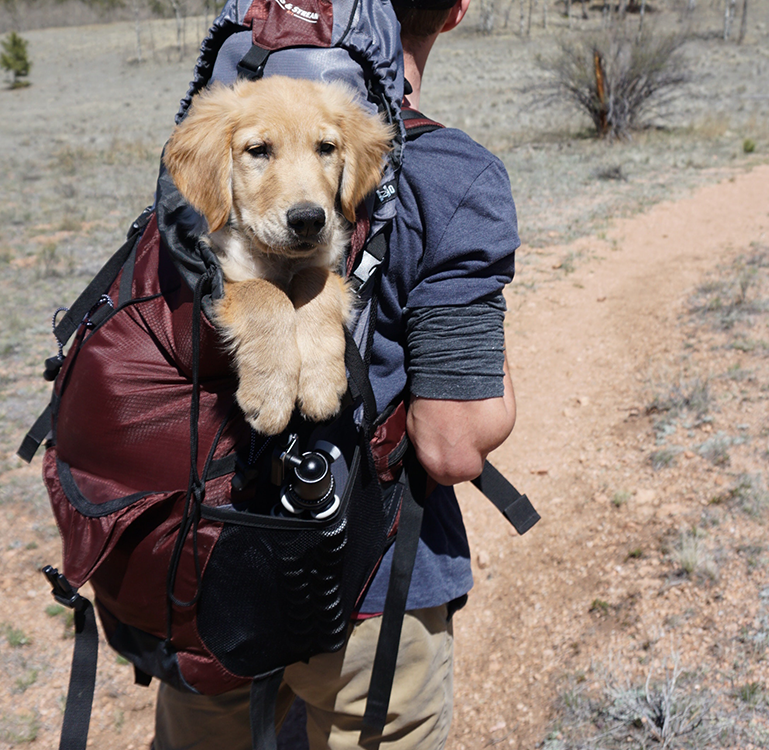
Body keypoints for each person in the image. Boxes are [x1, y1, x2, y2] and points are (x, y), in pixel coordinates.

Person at [153, 0, 519, 747]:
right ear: (455, 12)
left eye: (323, 150)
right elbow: (453, 442)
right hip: (368, 595)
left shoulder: (219, 141)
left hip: (201, 572)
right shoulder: (457, 175)